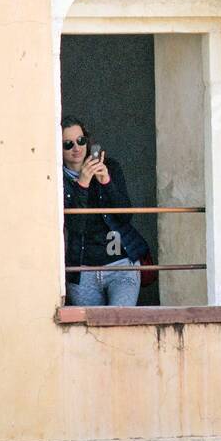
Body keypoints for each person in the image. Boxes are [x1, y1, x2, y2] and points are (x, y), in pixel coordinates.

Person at [61, 115, 150, 306]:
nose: (76, 148)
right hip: (83, 271)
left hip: (120, 264)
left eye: (80, 141)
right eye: (68, 144)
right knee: (90, 332)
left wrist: (107, 182)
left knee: (120, 320)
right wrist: (82, 184)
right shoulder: (56, 179)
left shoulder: (110, 167)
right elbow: (76, 226)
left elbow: (125, 216)